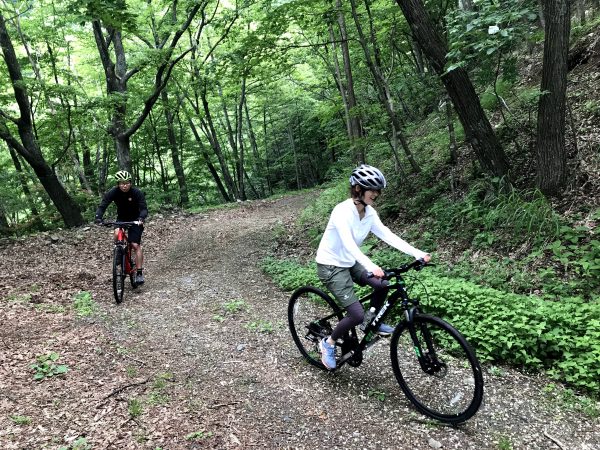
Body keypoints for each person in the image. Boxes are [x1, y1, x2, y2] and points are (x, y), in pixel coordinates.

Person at [316, 164, 431, 370]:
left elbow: (388, 235)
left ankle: (370, 320)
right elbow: (349, 244)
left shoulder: (369, 213)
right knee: (355, 314)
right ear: (358, 189)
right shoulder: (342, 211)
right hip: (331, 265)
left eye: (378, 190)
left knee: (383, 285)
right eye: (373, 190)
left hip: (350, 262)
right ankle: (328, 343)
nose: (376, 194)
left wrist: (417, 253)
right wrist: (371, 265)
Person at [95, 170, 148, 285]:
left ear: (130, 183)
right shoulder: (114, 192)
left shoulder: (136, 193)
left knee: (135, 245)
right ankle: (120, 253)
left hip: (136, 220)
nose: (124, 185)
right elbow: (103, 205)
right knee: (116, 234)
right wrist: (98, 217)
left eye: (126, 183)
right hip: (122, 219)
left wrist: (141, 218)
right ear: (118, 184)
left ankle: (139, 272)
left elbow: (144, 208)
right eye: (121, 183)